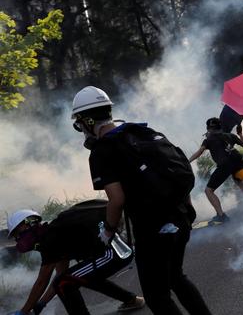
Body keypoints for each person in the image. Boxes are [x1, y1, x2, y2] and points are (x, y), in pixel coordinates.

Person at [70, 86, 212, 315]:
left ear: (87, 120)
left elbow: (116, 199)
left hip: (153, 230)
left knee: (157, 297)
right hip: (181, 218)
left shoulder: (101, 151)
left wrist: (108, 232)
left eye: (80, 123)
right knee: (176, 277)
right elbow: (173, 172)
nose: (81, 129)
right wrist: (186, 209)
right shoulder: (142, 132)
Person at [6, 202, 144, 315]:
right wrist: (41, 304)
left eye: (18, 234)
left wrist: (24, 312)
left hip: (114, 252)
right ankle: (133, 300)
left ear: (29, 224)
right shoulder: (54, 234)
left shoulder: (50, 239)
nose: (19, 240)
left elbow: (42, 281)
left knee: (64, 282)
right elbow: (60, 274)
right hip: (118, 249)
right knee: (76, 277)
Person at [188, 117, 243, 223]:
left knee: (208, 190)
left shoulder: (208, 140)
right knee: (239, 182)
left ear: (208, 128)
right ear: (220, 127)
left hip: (225, 165)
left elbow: (200, 152)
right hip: (237, 159)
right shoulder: (230, 135)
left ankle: (221, 215)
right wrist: (240, 134)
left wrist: (188, 161)